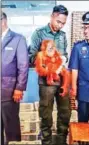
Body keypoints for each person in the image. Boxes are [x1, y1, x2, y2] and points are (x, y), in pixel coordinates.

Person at [29, 5, 71, 145]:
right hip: (46, 82)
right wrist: (47, 62)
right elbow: (31, 57)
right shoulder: (39, 33)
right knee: (46, 113)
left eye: (63, 23)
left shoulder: (63, 35)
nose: (60, 25)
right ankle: (46, 141)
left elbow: (64, 54)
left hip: (62, 79)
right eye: (58, 21)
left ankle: (61, 139)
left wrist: (64, 59)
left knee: (65, 112)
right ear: (52, 16)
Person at [1, 12, 29, 145]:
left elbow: (23, 66)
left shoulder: (18, 39)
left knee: (11, 127)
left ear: (3, 22)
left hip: (9, 91)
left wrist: (19, 88)